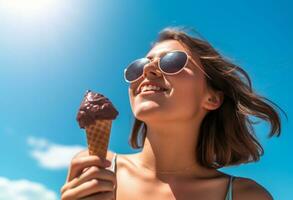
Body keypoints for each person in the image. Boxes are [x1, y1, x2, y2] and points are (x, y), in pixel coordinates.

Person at [61, 27, 285, 200]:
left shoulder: (246, 196)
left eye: (172, 61)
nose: (148, 70)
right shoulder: (97, 168)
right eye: (138, 67)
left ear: (212, 98)